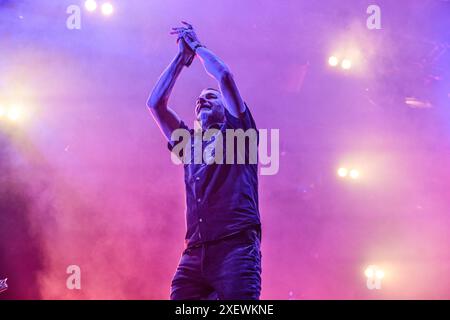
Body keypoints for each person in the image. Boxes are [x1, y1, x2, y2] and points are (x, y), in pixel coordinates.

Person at [147, 21, 262, 300]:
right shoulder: (189, 144)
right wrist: (180, 59)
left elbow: (223, 76)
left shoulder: (240, 134)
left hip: (235, 249)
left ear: (227, 109)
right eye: (198, 101)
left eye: (209, 97)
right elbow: (155, 105)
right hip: (194, 253)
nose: (201, 101)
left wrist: (197, 47)